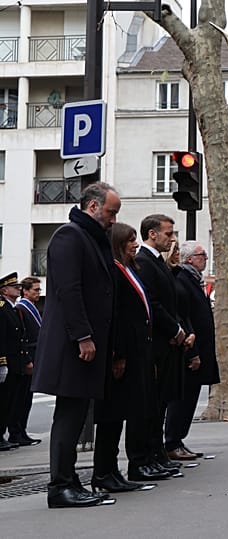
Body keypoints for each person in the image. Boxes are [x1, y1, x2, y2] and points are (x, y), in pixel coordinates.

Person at [31, 182, 120, 508]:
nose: (113, 220)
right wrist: (83, 336)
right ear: (93, 207)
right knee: (69, 416)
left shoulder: (92, 239)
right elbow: (70, 291)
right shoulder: (70, 236)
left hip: (84, 345)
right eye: (111, 212)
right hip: (74, 345)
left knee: (76, 412)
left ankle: (69, 482)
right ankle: (61, 486)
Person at [92, 223, 154, 492]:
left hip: (136, 349)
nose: (135, 244)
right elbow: (115, 315)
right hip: (121, 354)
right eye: (130, 240)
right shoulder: (114, 272)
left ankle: (111, 470)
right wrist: (118, 354)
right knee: (112, 414)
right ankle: (103, 472)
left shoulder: (128, 269)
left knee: (122, 414)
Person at [135, 215, 191, 479]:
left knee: (160, 406)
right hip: (157, 343)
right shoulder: (144, 262)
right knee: (151, 407)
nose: (172, 239)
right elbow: (153, 304)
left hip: (168, 343)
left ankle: (156, 456)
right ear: (152, 234)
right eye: (168, 234)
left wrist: (181, 329)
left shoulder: (158, 262)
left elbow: (171, 304)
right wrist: (176, 330)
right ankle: (147, 457)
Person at [165, 241, 220, 460]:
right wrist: (193, 351)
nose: (205, 258)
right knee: (182, 400)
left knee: (190, 399)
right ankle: (172, 441)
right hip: (190, 350)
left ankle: (178, 440)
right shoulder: (182, 280)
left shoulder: (194, 280)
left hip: (200, 348)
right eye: (202, 255)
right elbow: (185, 317)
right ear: (189, 259)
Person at [0, 273, 32, 450]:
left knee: (12, 402)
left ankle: (7, 434)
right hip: (9, 363)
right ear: (4, 290)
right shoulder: (2, 308)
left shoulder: (12, 308)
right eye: (15, 287)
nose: (18, 289)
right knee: (4, 401)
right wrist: (2, 362)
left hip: (17, 363)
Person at [10, 276, 42, 445]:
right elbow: (22, 337)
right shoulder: (21, 308)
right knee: (20, 398)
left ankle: (22, 430)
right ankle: (16, 432)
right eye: (35, 290)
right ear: (26, 291)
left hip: (34, 355)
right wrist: (27, 359)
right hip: (27, 357)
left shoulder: (31, 308)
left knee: (27, 398)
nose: (38, 293)